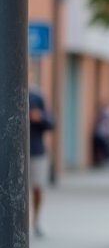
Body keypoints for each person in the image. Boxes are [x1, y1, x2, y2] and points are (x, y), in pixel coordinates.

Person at [28, 85, 54, 238]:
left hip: (36, 150)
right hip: (9, 153)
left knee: (37, 188)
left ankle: (37, 221)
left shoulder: (37, 96)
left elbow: (51, 122)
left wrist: (40, 118)